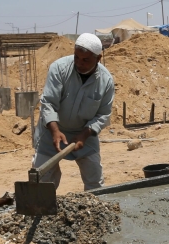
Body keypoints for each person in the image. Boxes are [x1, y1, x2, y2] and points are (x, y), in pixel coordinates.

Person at [34, 33, 114, 190]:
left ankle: (95, 213)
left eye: (85, 60)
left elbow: (103, 115)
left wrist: (84, 135)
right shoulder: (59, 69)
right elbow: (48, 102)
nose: (79, 63)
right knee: (42, 183)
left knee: (95, 182)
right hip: (52, 133)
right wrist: (55, 131)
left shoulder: (106, 81)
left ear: (98, 59)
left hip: (85, 135)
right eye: (77, 57)